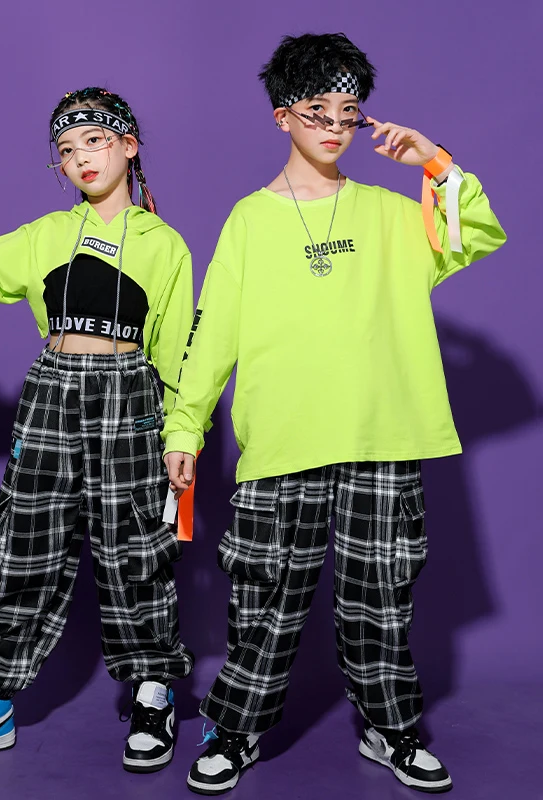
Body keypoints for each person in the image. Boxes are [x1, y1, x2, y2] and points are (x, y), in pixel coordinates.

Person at [162, 33, 506, 795]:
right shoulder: (250, 220)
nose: (334, 125)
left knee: (381, 599)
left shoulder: (390, 213)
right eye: (317, 109)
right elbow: (212, 333)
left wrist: (434, 163)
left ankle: (390, 727)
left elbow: (474, 235)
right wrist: (185, 426)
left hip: (383, 438)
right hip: (282, 440)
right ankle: (236, 729)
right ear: (282, 116)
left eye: (348, 111)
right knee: (264, 599)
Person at [0, 87, 195, 772]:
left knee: (136, 551)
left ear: (128, 145)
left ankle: (152, 694)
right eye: (65, 149)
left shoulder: (165, 245)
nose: (80, 157)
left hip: (130, 396)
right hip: (52, 394)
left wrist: (183, 435)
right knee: (25, 547)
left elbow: (180, 352)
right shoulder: (45, 236)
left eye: (94, 140)